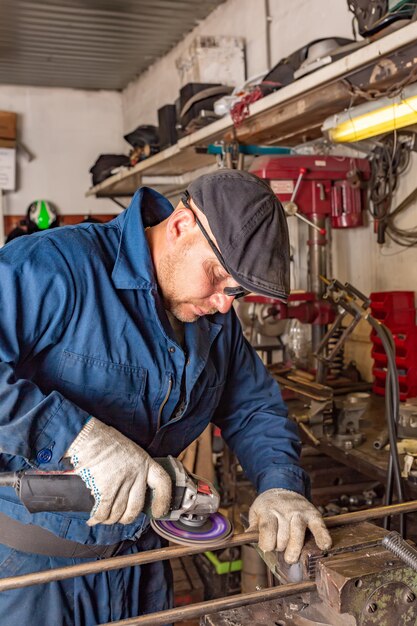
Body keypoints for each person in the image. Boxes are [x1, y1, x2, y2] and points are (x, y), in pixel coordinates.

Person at [0, 168, 331, 625]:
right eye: (218, 276)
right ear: (179, 227)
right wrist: (80, 437)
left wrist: (280, 486)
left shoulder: (214, 321)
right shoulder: (54, 265)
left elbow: (253, 407)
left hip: (142, 562)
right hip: (34, 576)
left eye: (236, 291)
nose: (223, 303)